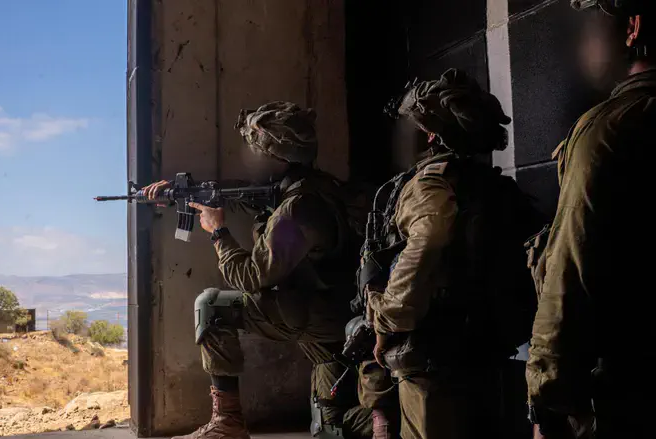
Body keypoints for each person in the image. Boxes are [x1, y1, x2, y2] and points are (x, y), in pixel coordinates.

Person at [143, 101, 372, 439]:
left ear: (276, 157)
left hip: (320, 314)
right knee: (330, 426)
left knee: (212, 307)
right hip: (339, 314)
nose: (249, 158)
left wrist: (218, 232)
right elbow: (247, 194)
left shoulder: (298, 209)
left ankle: (228, 423)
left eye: (256, 150)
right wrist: (184, 193)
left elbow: (251, 277)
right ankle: (392, 422)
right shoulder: (314, 185)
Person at [364, 68, 540, 439]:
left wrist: (387, 319)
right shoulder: (492, 185)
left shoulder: (429, 182)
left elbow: (429, 237)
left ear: (430, 134)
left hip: (435, 353)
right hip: (489, 346)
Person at [527, 2, 656, 438]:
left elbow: (569, 270)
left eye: (594, 24)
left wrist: (544, 398)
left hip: (629, 392)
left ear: (632, 27)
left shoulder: (608, 129)